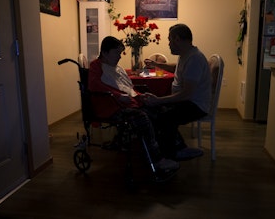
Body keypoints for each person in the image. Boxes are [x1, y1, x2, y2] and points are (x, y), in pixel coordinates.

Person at [88, 36, 179, 173]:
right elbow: (94, 85)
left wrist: (140, 96)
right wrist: (118, 96)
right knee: (142, 117)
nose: (119, 57)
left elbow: (127, 88)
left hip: (124, 104)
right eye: (116, 53)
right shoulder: (96, 66)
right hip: (110, 107)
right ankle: (157, 160)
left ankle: (167, 151)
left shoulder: (115, 68)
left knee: (159, 110)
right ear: (105, 53)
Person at [143, 24, 211, 160]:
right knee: (153, 110)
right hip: (187, 101)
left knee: (164, 117)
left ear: (178, 39)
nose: (169, 44)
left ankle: (171, 154)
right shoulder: (186, 54)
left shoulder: (194, 59)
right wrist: (157, 65)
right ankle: (177, 146)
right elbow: (176, 67)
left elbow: (187, 94)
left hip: (195, 105)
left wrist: (159, 100)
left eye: (170, 40)